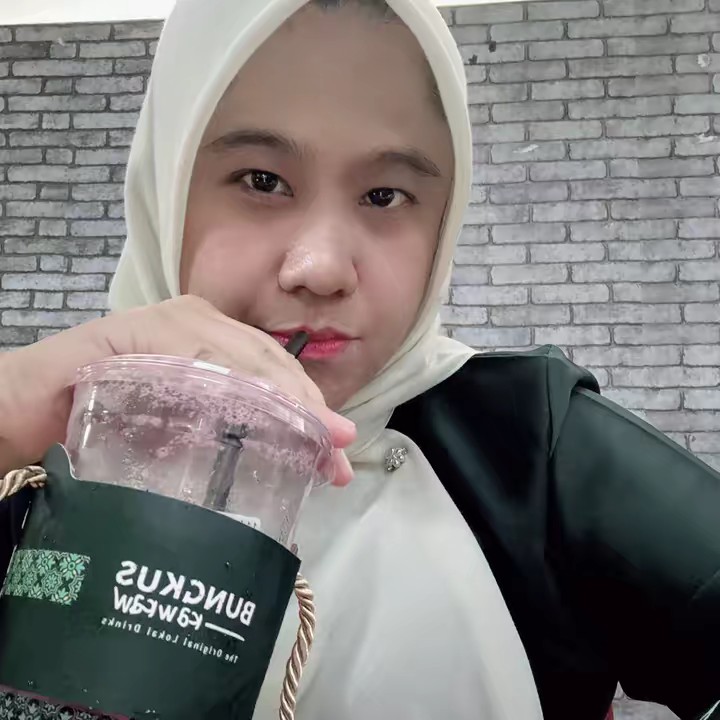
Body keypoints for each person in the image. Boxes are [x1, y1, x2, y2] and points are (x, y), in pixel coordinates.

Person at [0, 0, 719, 718]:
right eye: (261, 180)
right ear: (168, 182)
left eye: (384, 195)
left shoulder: (527, 446)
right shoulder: (44, 441)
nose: (320, 269)